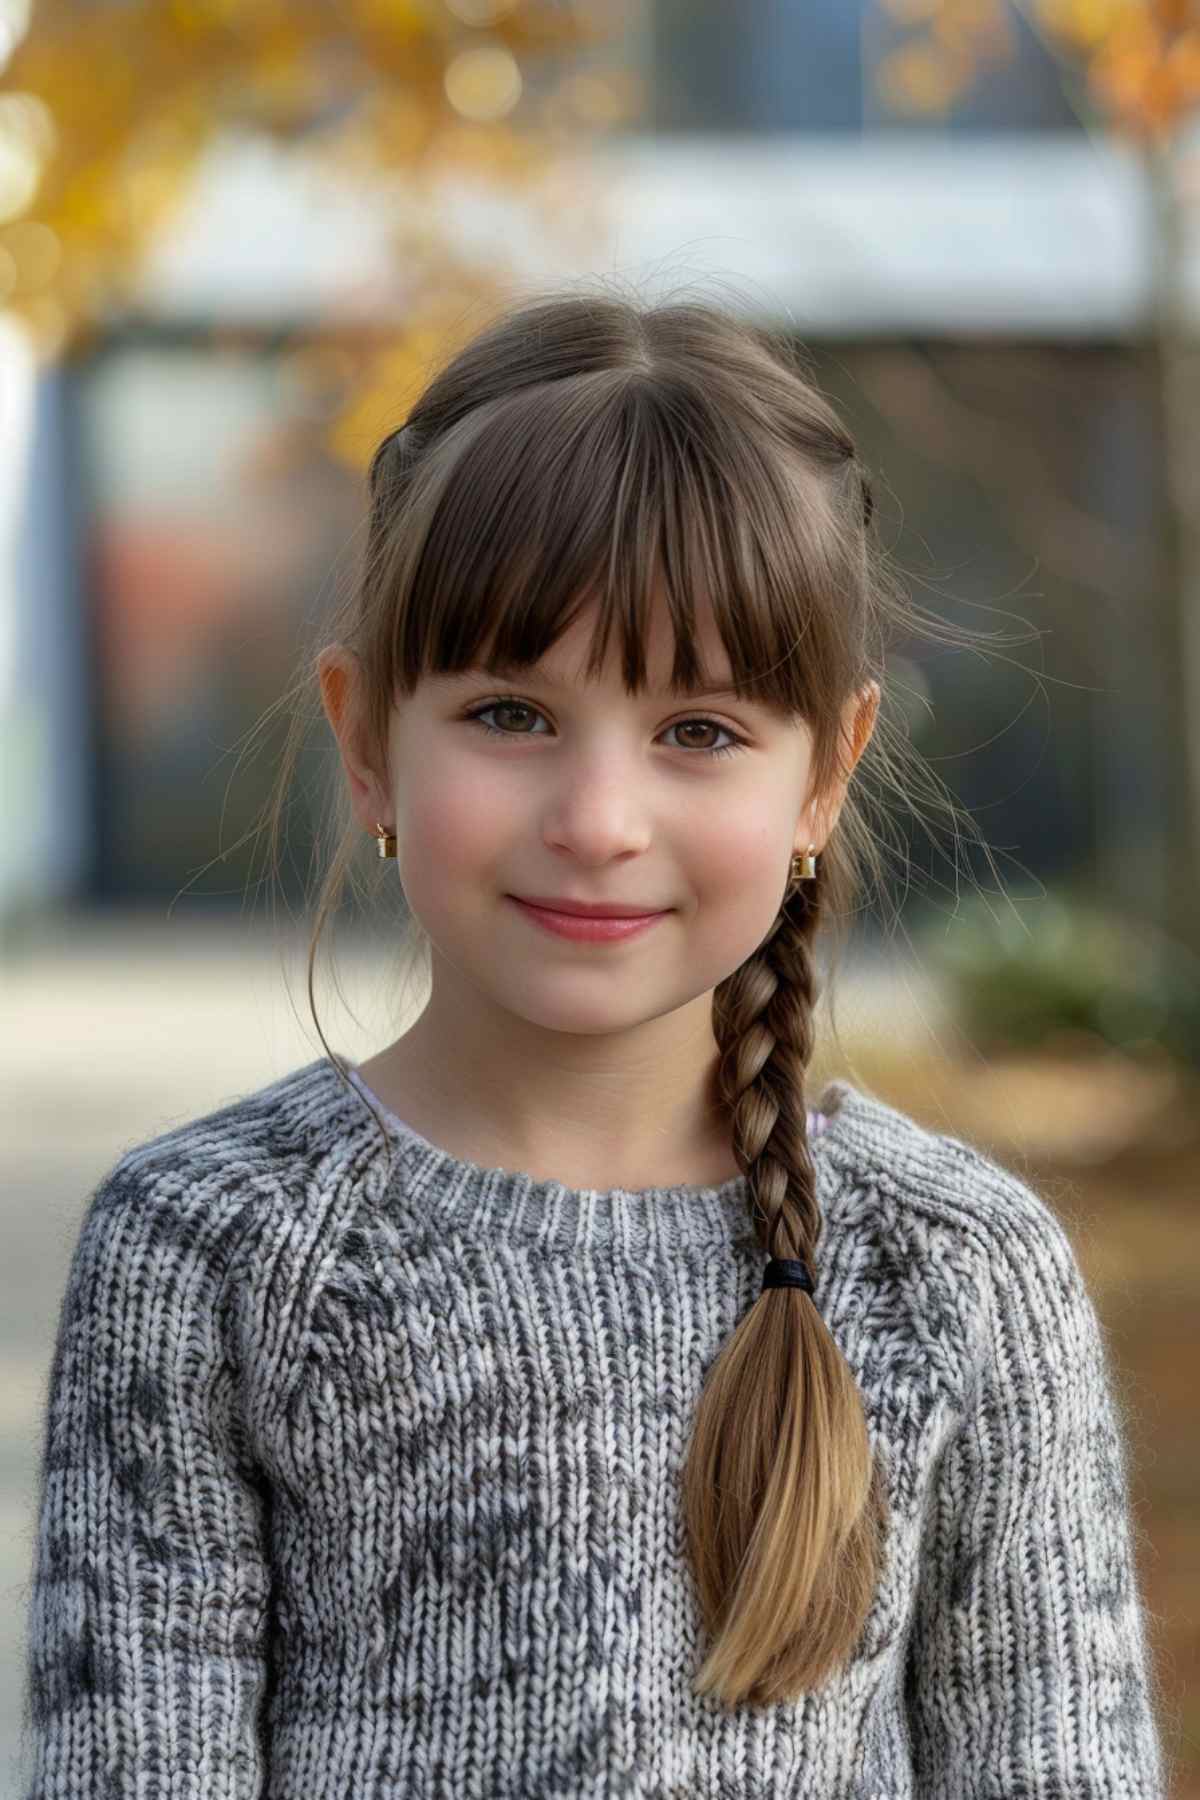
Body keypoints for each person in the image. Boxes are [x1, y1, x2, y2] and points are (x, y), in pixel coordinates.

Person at [22, 287, 1171, 1797]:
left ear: (826, 775)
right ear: (366, 742)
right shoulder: (208, 1252)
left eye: (700, 730)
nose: (599, 822)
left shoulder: (956, 1268)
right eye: (511, 713)